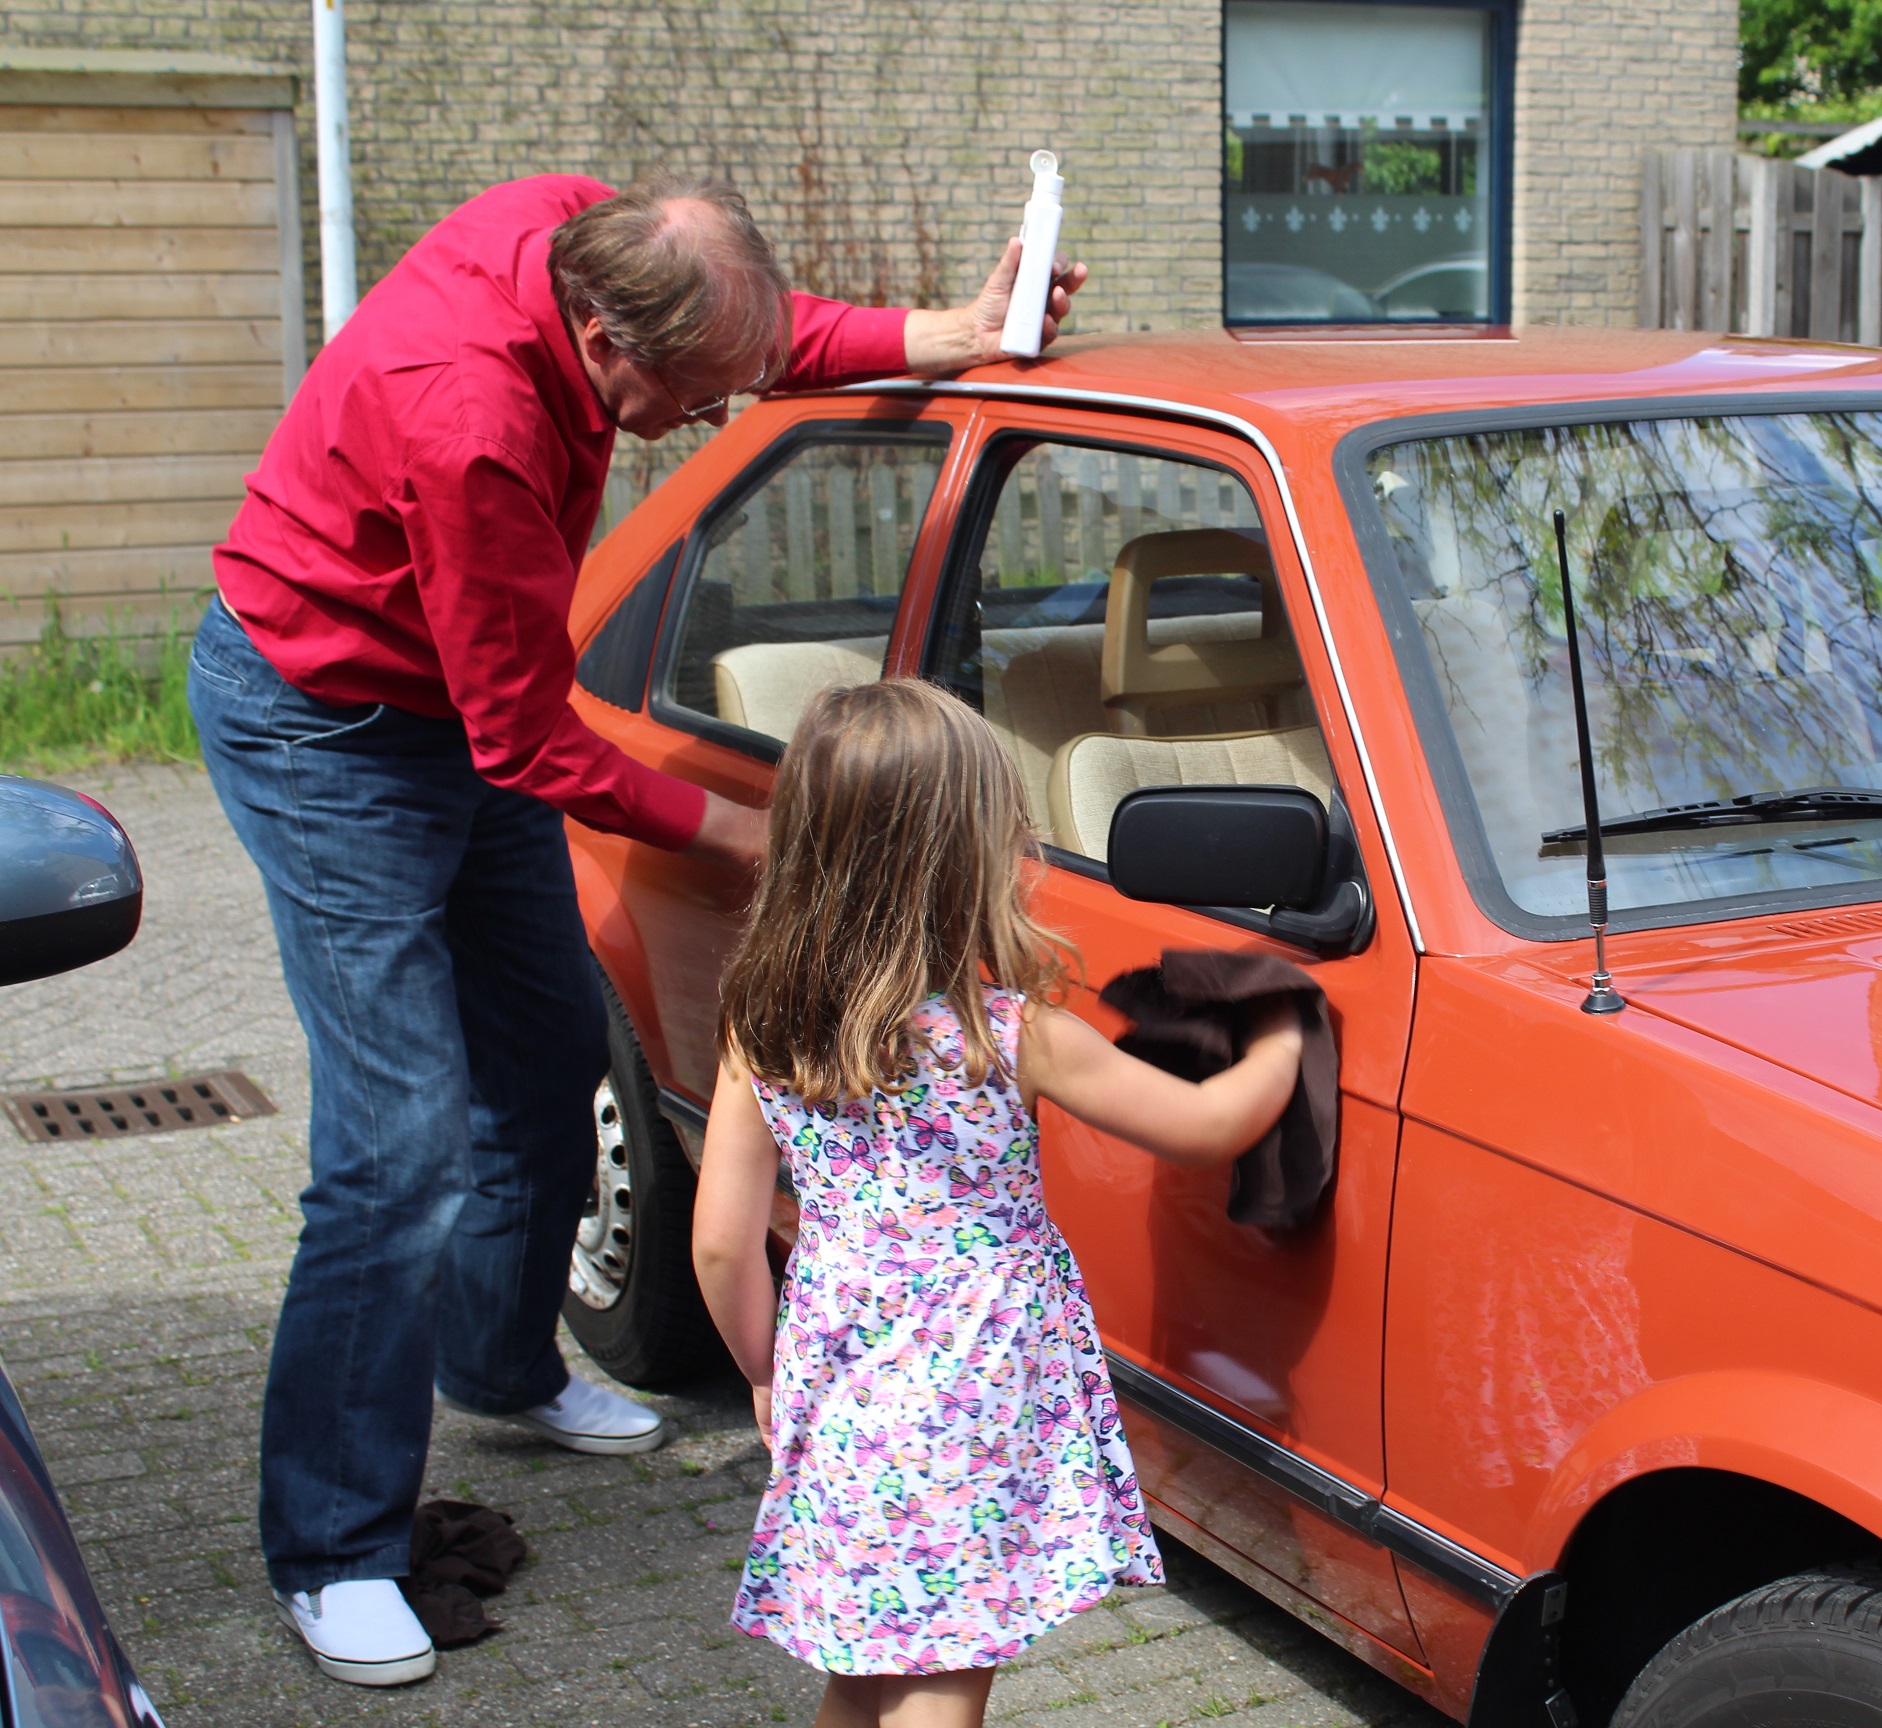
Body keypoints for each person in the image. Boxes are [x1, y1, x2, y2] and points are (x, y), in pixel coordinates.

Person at [187, 170, 1086, 1687]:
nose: (704, 418)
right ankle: (334, 1546)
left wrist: (952, 330)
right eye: (690, 395)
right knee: (398, 1146)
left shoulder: (588, 231)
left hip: (459, 705)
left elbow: (757, 339)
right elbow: (525, 741)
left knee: (549, 1059)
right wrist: (755, 833)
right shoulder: (471, 422)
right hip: (326, 727)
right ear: (603, 337)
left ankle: (499, 1368)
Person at [691, 680, 1304, 1728]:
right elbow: (1206, 1125)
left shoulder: (761, 1026)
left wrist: (764, 1369)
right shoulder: (1007, 1036)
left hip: (839, 1367)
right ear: (960, 860)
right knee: (947, 1660)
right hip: (974, 1381)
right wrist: (1284, 1030)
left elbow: (720, 1244)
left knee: (868, 1650)